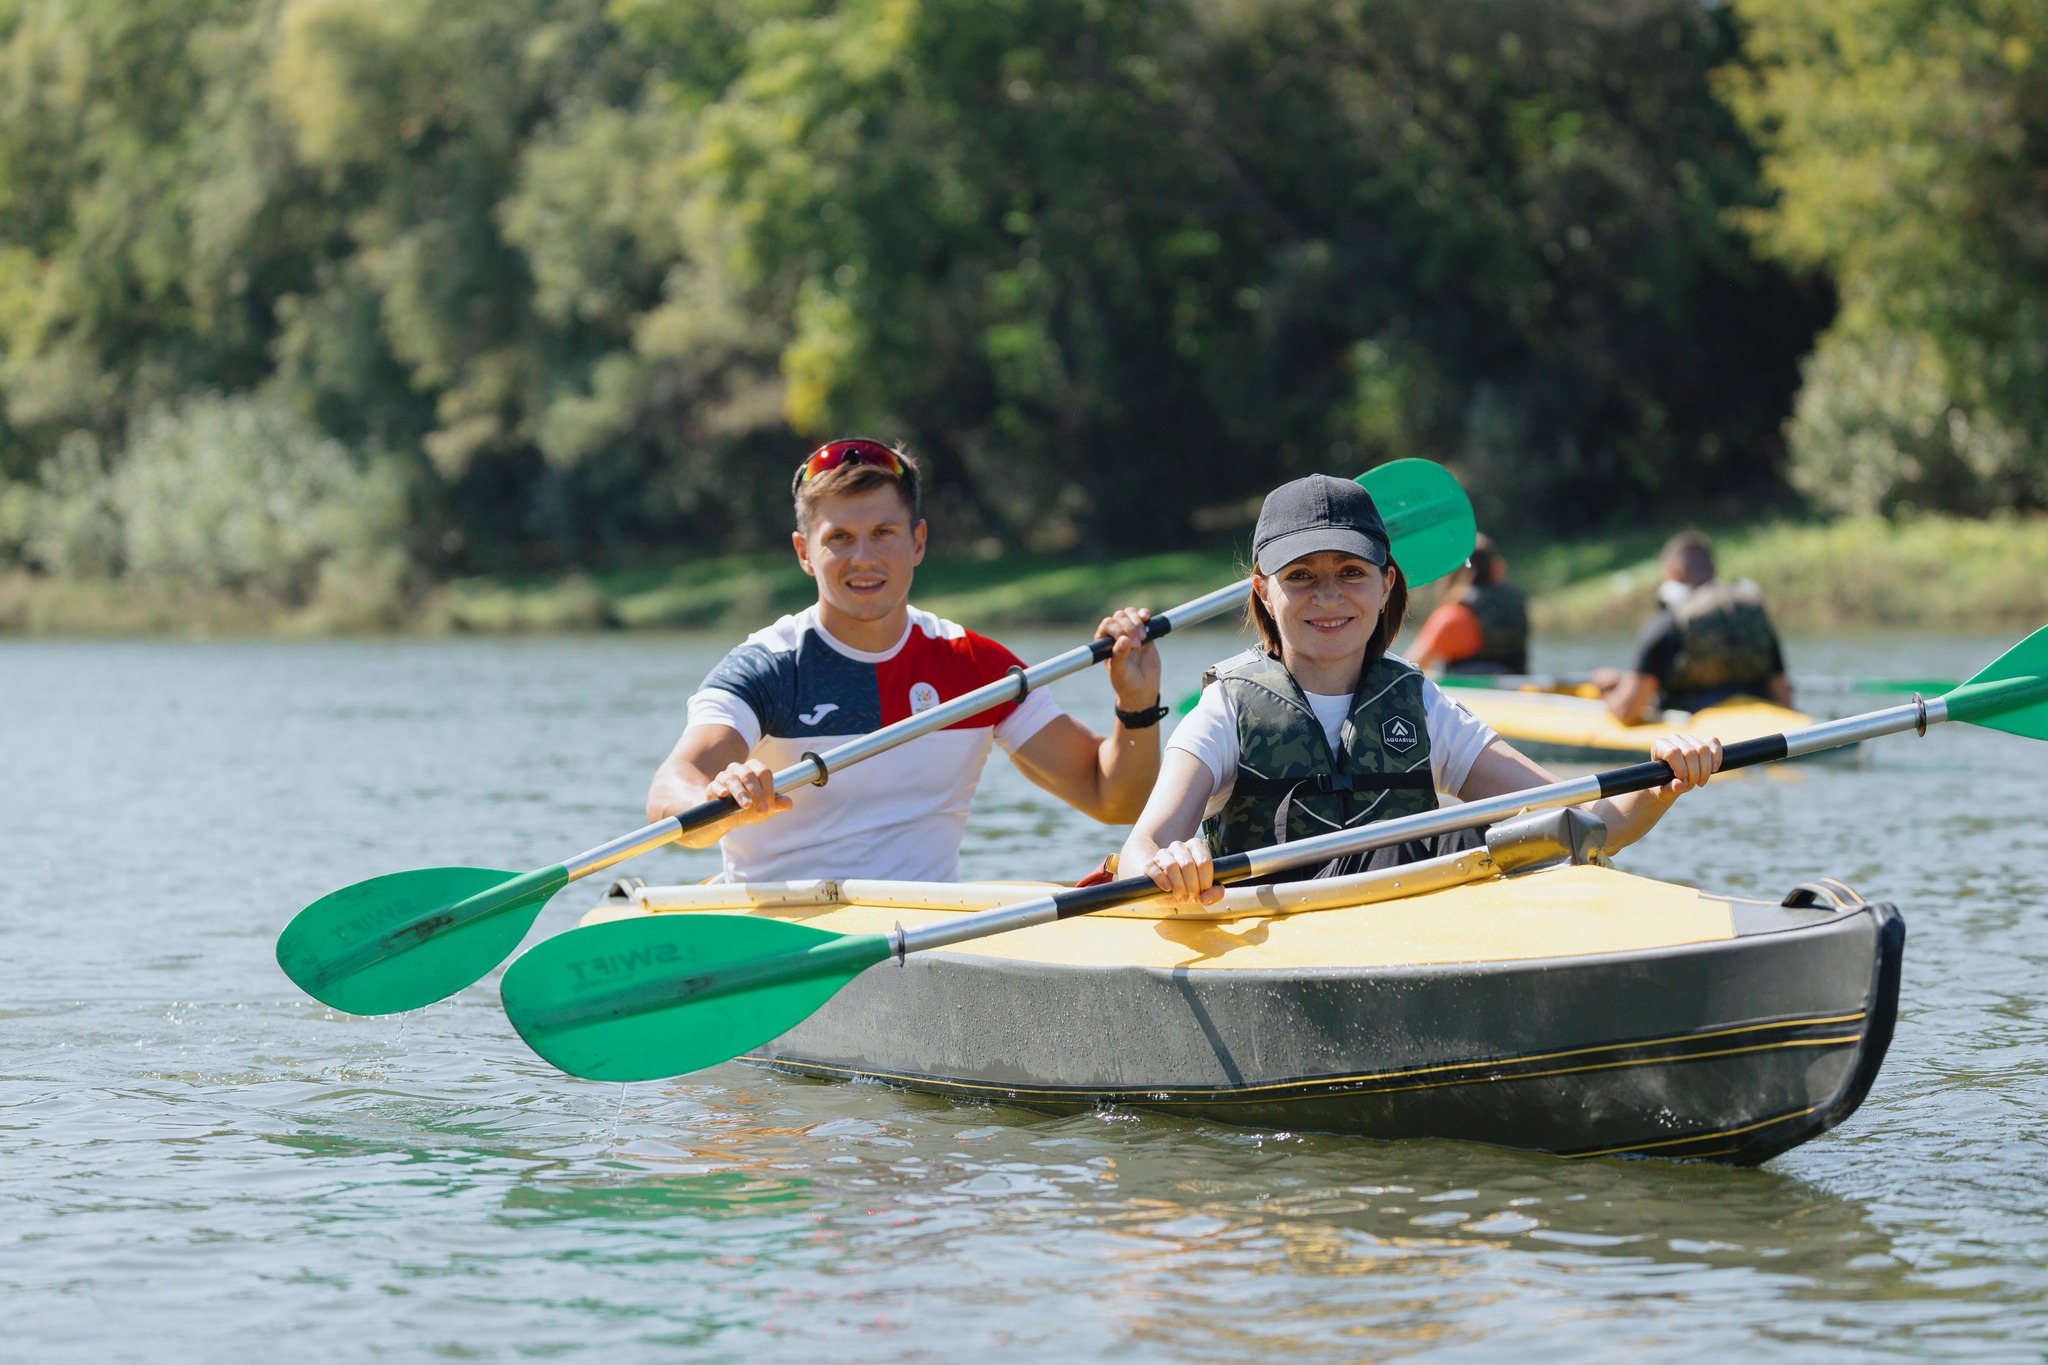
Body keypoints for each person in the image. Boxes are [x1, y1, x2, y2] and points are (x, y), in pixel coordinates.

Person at [1117, 475, 1722, 905]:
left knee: (1513, 833)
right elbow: (1143, 849)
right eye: (1301, 578)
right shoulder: (1225, 712)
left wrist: (1660, 784)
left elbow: (1584, 821)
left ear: (1385, 587)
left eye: (1351, 573)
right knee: (1445, 838)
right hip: (1276, 942)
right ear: (1264, 593)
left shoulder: (1423, 706)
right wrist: (1174, 862)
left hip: (1410, 936)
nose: (1328, 597)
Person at [647, 438, 1168, 883]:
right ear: (805, 553)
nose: (864, 558)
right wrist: (718, 801)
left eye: (884, 533)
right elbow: (670, 792)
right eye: (840, 539)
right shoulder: (767, 668)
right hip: (784, 940)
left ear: (917, 541)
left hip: (920, 942)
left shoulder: (975, 667)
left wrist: (1137, 704)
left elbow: (1112, 799)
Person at [1593, 531, 1792, 725]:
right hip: (1765, 720)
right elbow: (1782, 695)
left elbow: (1627, 711)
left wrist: (1607, 691)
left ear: (1673, 573)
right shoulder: (1750, 612)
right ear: (1713, 570)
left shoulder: (1667, 621)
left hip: (1700, 730)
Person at [1407, 533, 1528, 675]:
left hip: (1473, 694)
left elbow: (1407, 669)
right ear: (1496, 568)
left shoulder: (1453, 617)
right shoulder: (1512, 606)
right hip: (1514, 688)